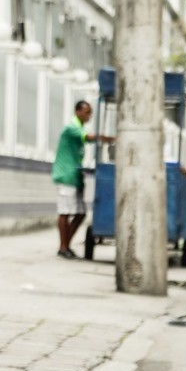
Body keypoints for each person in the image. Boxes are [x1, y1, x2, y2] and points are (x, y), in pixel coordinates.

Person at [51, 100, 113, 259]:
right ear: (78, 111)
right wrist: (107, 138)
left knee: (80, 213)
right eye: (87, 112)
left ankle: (65, 245)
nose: (89, 116)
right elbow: (89, 137)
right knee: (65, 211)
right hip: (66, 175)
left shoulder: (79, 127)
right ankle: (63, 247)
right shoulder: (72, 127)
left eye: (90, 112)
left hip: (75, 176)